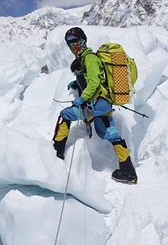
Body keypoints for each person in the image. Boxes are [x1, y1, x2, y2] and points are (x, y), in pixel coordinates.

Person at [52, 27, 138, 184]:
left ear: (83, 40)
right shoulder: (84, 58)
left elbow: (94, 83)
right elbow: (91, 79)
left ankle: (56, 155)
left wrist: (81, 99)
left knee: (65, 115)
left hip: (96, 104)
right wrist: (77, 84)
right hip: (102, 104)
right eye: (69, 43)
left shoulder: (90, 58)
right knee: (110, 134)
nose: (72, 45)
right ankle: (128, 172)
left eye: (75, 41)